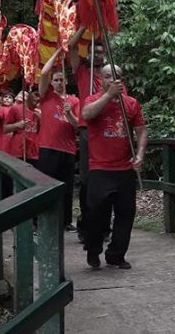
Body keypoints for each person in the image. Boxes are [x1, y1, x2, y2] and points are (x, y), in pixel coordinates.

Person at [81, 64, 148, 270]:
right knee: (95, 214)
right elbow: (87, 115)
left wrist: (139, 154)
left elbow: (141, 130)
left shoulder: (131, 103)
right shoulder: (92, 100)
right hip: (100, 167)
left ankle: (116, 255)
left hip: (124, 168)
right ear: (101, 80)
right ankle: (93, 248)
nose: (113, 80)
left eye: (117, 76)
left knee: (126, 213)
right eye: (108, 76)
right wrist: (108, 96)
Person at [68, 27, 108, 241]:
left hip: (106, 130)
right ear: (89, 54)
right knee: (87, 178)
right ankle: (86, 227)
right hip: (86, 129)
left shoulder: (109, 75)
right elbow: (71, 46)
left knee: (107, 176)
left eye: (101, 52)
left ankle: (104, 228)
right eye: (95, 52)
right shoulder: (82, 71)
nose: (99, 56)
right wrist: (86, 24)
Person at [37, 49, 80, 231]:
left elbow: (77, 126)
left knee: (66, 187)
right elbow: (44, 72)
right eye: (56, 80)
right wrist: (58, 53)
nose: (59, 82)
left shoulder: (74, 101)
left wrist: (69, 113)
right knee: (46, 185)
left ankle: (65, 221)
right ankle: (41, 221)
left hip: (68, 149)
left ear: (66, 81)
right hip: (48, 146)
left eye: (62, 80)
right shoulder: (46, 95)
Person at [3, 90, 41, 166]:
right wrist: (16, 125)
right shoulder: (16, 108)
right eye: (34, 98)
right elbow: (4, 129)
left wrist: (41, 119)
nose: (37, 100)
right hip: (17, 152)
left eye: (38, 99)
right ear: (28, 98)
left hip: (34, 154)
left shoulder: (41, 112)